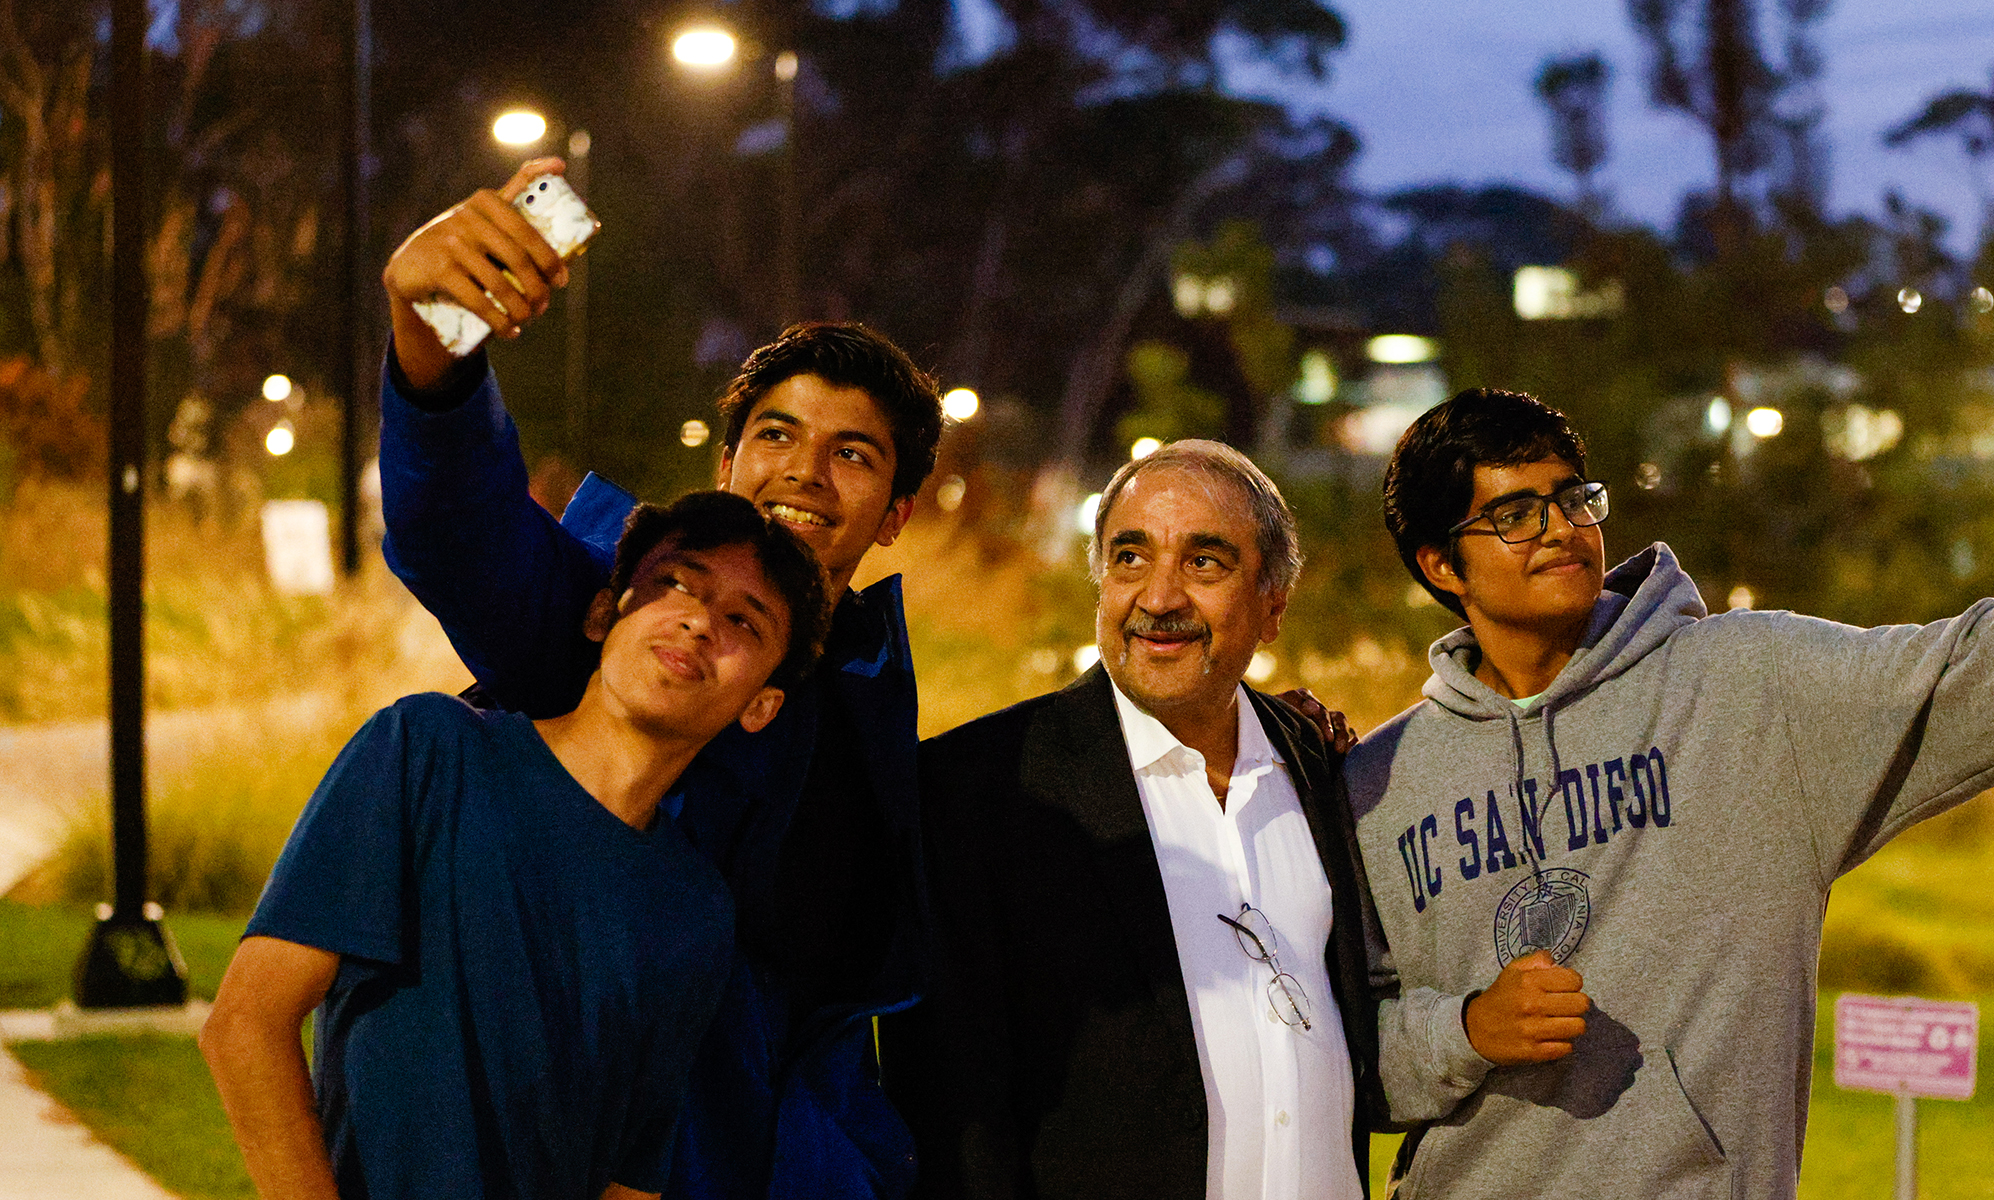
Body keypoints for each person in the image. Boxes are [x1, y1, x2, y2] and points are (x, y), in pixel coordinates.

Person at [1345, 389, 1994, 1199]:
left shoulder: (1750, 691)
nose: (1558, 528)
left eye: (1571, 499)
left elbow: (1959, 671)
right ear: (1438, 564)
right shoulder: (1375, 788)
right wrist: (1466, 1030)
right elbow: (1337, 1052)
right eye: (1513, 514)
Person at [373, 160, 945, 1199]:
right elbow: (458, 526)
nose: (805, 471)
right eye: (776, 435)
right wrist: (434, 345)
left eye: (853, 454)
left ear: (896, 514)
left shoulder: (866, 694)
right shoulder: (619, 620)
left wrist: (1269, 729)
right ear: (728, 463)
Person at [201, 491, 829, 1200]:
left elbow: (629, 1180)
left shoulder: (697, 911)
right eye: (675, 583)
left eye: (744, 620)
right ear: (603, 613)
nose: (698, 620)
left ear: (761, 705)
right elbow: (247, 1025)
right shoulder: (430, 752)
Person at [885, 441, 1380, 1200]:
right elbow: (954, 1118)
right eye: (1129, 558)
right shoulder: (977, 789)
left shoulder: (1318, 768)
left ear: (1273, 604)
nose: (1159, 597)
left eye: (1204, 563)